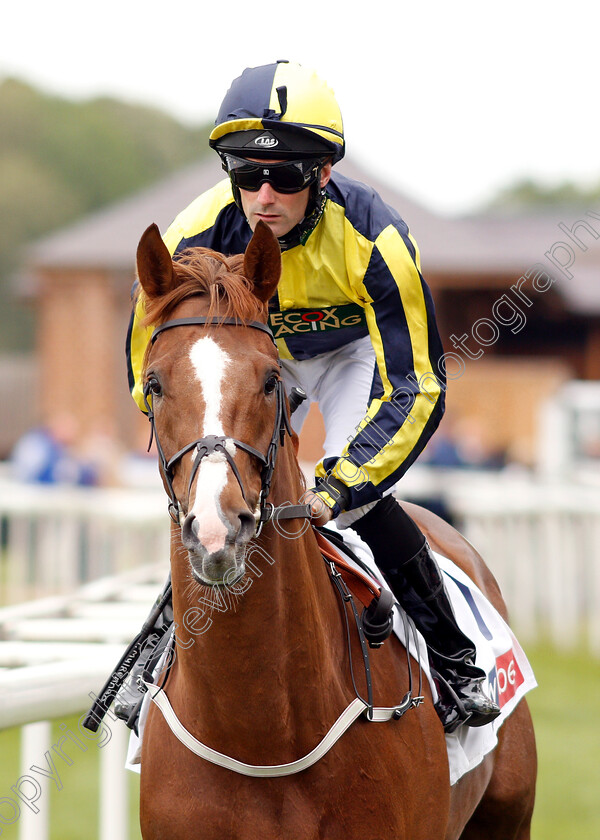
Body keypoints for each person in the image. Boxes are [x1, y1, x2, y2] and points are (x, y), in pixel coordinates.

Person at [125, 61, 499, 732]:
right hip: (256, 355)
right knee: (218, 487)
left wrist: (343, 483)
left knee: (356, 504)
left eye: (287, 176)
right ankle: (155, 652)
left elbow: (417, 383)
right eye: (246, 175)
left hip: (355, 357)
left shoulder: (377, 239)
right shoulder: (193, 233)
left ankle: (455, 660)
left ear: (323, 174)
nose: (263, 195)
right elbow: (147, 356)